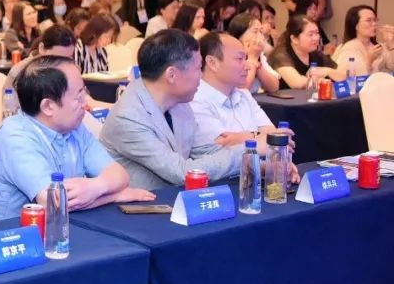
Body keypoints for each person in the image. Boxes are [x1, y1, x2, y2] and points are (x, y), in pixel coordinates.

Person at [0, 56, 153, 221]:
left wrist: (97, 186)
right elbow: (55, 203)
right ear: (48, 106)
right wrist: (113, 196)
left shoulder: (74, 126)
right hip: (15, 233)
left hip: (66, 225)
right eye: (78, 96)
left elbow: (119, 175)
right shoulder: (15, 137)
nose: (85, 103)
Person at [99, 29, 248, 190]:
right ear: (171, 75)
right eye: (198, 68)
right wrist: (248, 150)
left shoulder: (179, 102)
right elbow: (181, 172)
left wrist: (252, 160)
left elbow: (202, 152)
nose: (201, 76)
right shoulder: (128, 118)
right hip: (140, 202)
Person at [191, 34, 293, 155]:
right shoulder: (195, 100)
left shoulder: (243, 94)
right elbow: (220, 149)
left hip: (258, 165)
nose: (248, 66)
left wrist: (242, 137)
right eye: (240, 59)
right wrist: (260, 137)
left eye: (246, 59)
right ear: (212, 63)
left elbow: (273, 135)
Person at [268, 14, 344, 89]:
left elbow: (344, 75)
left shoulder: (315, 53)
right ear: (294, 39)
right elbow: (297, 83)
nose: (316, 38)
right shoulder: (280, 55)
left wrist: (327, 71)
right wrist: (321, 81)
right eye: (310, 34)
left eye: (317, 33)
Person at [5, 24, 76, 88]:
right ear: (42, 48)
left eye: (67, 59)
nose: (62, 64)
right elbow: (9, 97)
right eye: (56, 58)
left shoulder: (71, 72)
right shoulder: (18, 74)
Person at [226, 14, 280, 94]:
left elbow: (274, 87)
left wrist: (257, 65)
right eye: (255, 31)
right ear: (239, 36)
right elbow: (241, 91)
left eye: (261, 31)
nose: (260, 36)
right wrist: (253, 58)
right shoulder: (229, 55)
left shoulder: (257, 53)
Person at [334, 5, 394, 74]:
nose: (374, 24)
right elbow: (346, 75)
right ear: (356, 25)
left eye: (375, 20)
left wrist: (391, 43)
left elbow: (391, 67)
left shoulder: (378, 46)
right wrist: (369, 61)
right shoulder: (349, 48)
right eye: (368, 20)